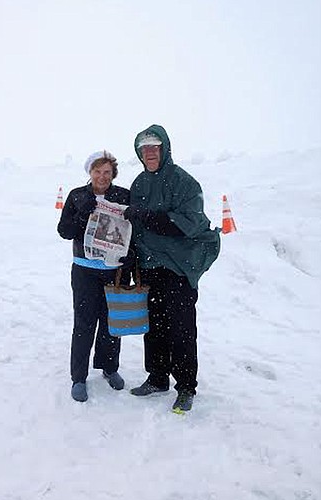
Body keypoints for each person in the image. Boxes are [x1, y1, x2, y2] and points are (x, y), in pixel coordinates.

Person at [123, 125, 220, 413]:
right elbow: (133, 226)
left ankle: (186, 386)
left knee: (182, 328)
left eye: (154, 147)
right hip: (149, 267)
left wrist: (149, 217)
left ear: (165, 149)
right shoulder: (139, 184)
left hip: (179, 268)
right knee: (153, 327)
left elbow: (188, 224)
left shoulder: (184, 183)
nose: (150, 153)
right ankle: (157, 377)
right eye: (144, 149)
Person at [57, 150, 132, 403]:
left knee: (112, 323)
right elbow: (64, 231)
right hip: (84, 270)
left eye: (107, 172)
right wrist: (81, 215)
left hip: (114, 270)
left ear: (113, 174)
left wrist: (130, 257)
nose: (102, 176)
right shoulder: (77, 195)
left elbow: (133, 231)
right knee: (84, 323)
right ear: (90, 172)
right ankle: (78, 376)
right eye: (97, 171)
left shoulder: (123, 196)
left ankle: (109, 368)